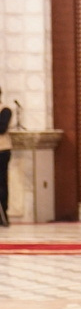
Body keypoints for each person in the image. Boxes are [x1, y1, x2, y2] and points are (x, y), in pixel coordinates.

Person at [0, 85, 11, 225]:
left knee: (1, 183)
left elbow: (1, 128)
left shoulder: (5, 110)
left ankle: (3, 214)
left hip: (2, 151)